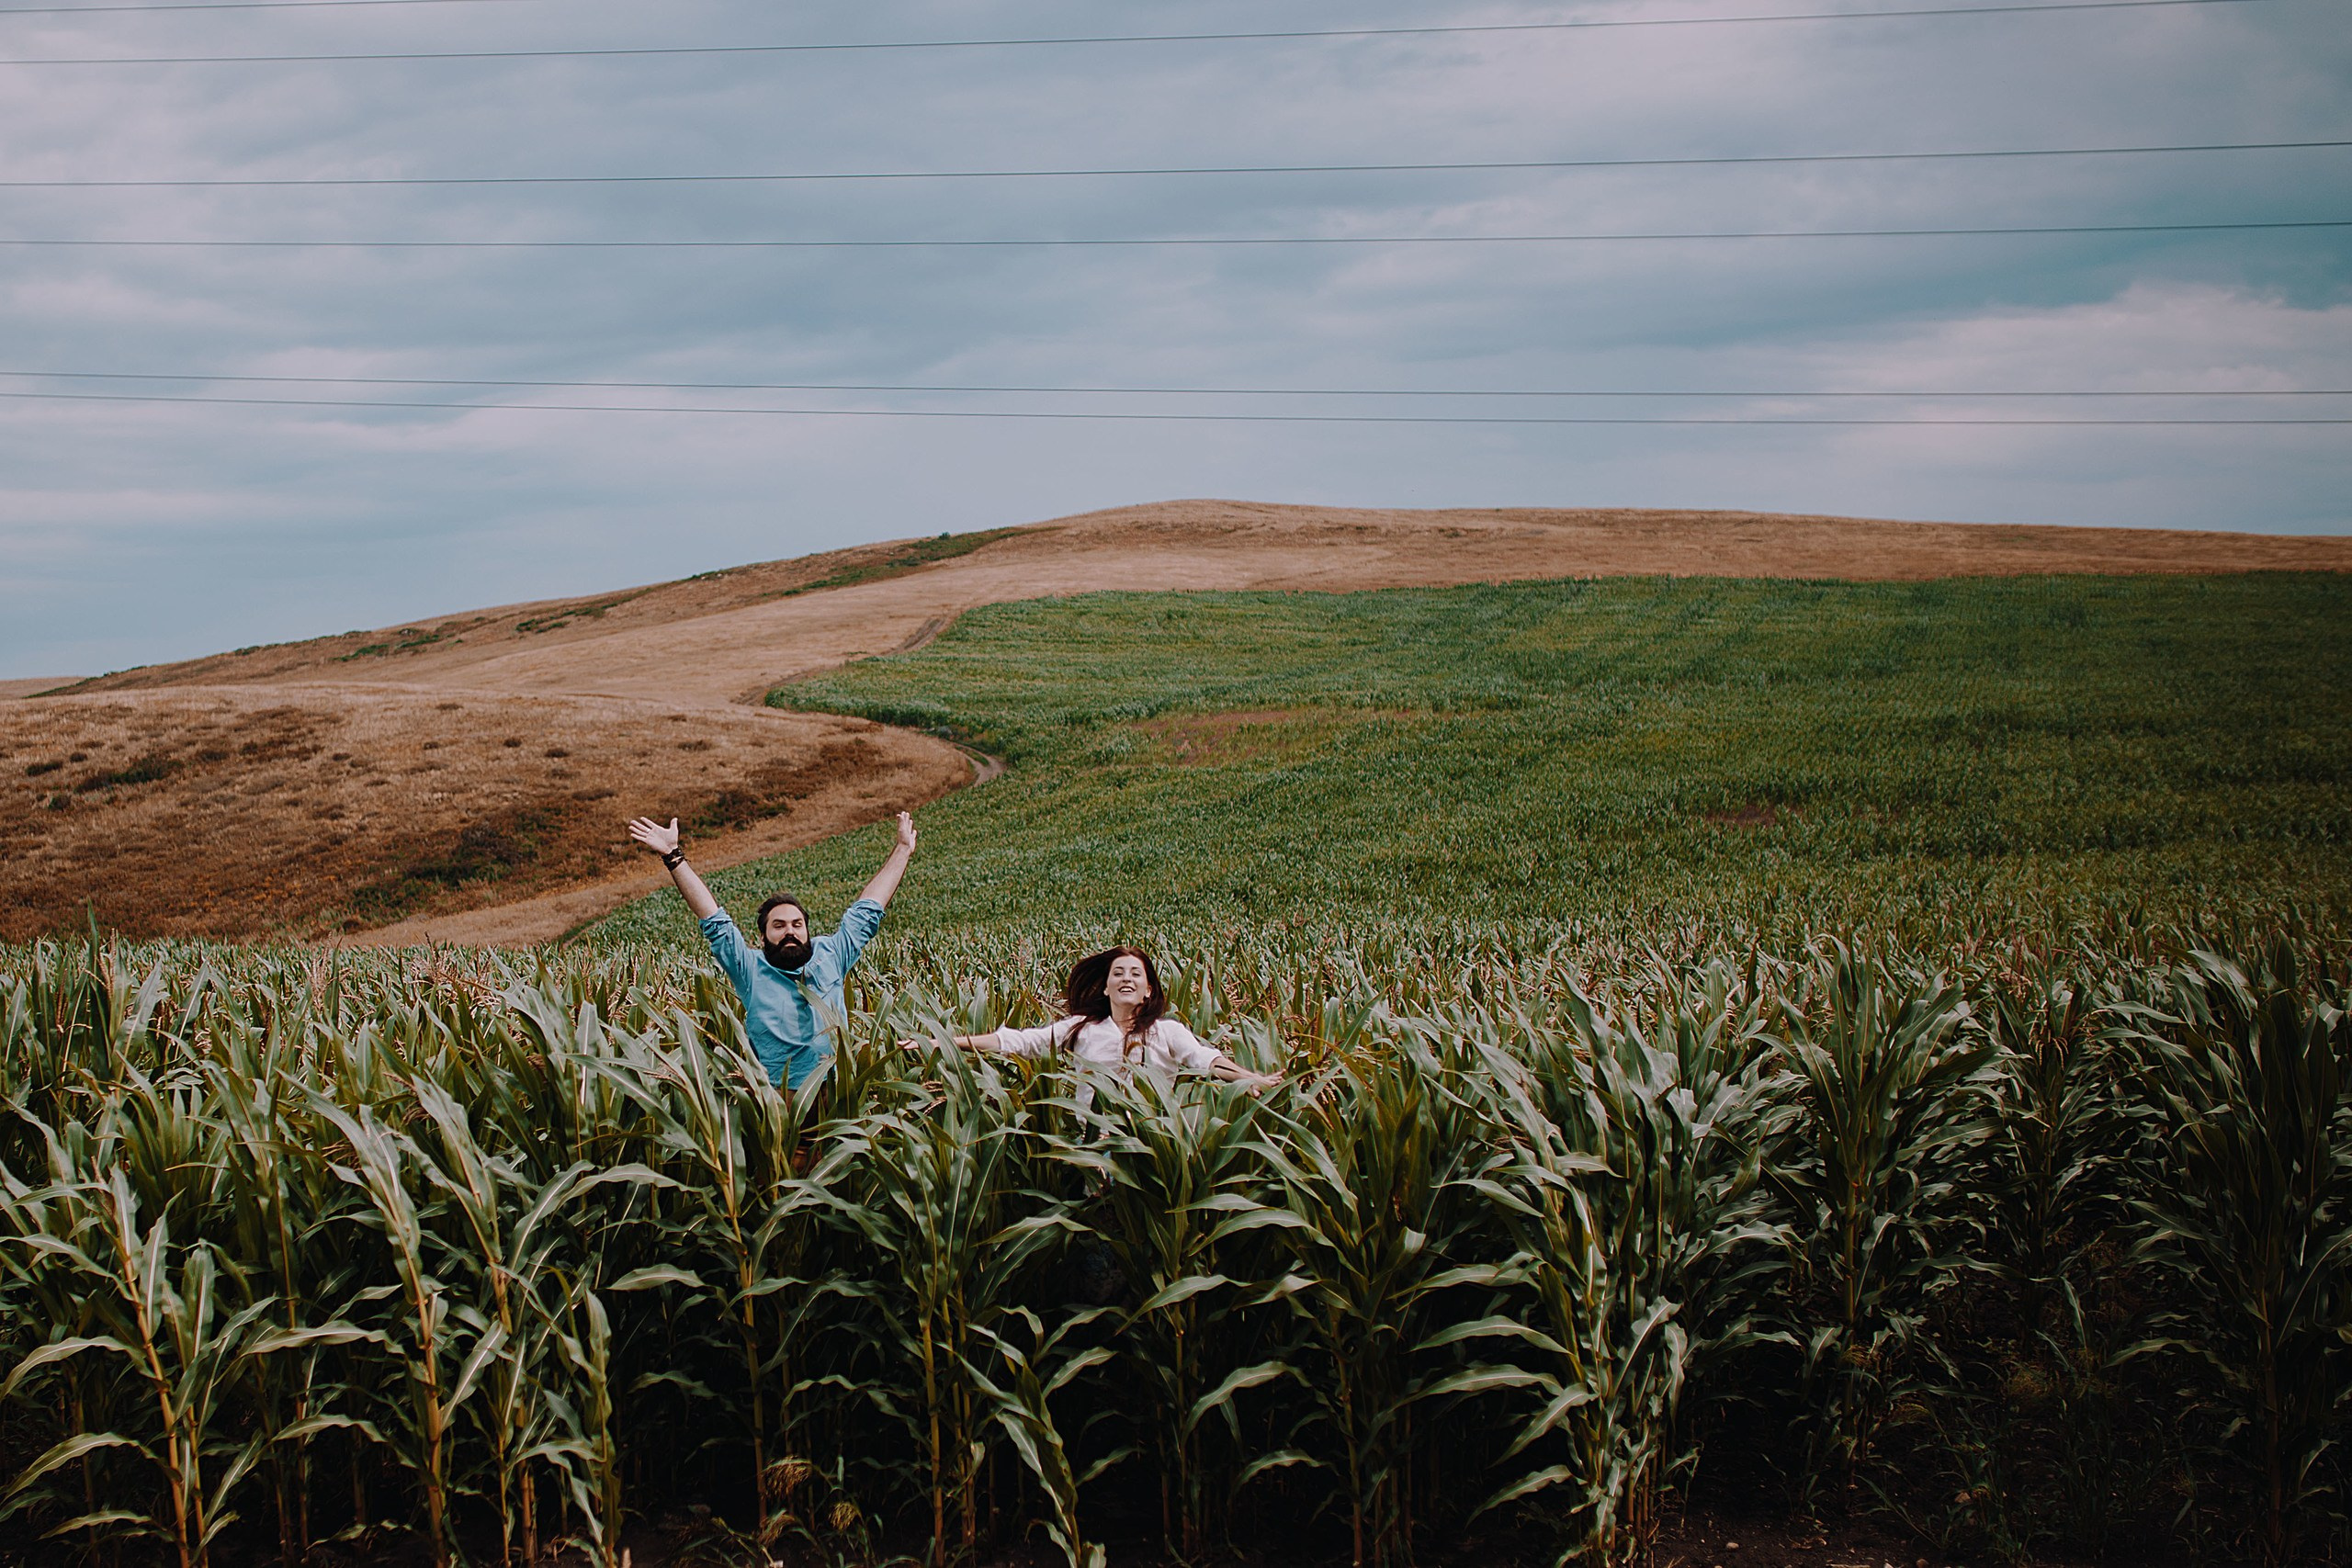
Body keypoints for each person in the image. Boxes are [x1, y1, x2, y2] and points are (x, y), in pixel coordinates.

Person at [627, 809, 918, 1090]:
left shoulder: (832, 954)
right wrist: (673, 855)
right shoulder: (750, 969)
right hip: (779, 1110)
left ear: (807, 929)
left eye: (797, 924)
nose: (790, 931)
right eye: (778, 926)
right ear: (763, 936)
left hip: (838, 1102)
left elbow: (868, 909)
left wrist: (903, 849)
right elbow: (713, 919)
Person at [918, 946, 1279, 1091]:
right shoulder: (1081, 1029)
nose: (1126, 979)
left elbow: (1208, 1061)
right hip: (1094, 1149)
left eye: (1136, 975)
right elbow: (1017, 1041)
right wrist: (940, 1043)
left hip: (1153, 1144)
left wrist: (1256, 1079)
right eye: (1118, 973)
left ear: (1149, 990)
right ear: (1105, 988)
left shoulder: (1166, 1032)